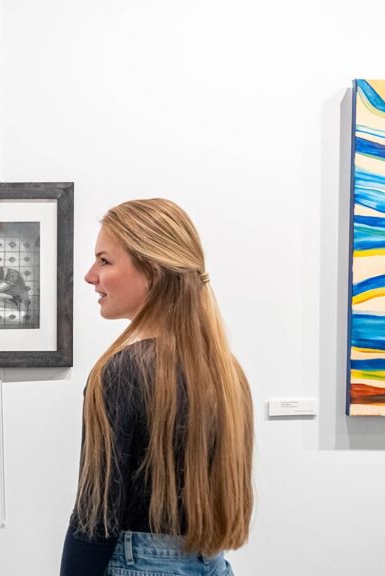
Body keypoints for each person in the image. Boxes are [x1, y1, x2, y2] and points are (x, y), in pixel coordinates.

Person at [60, 199, 253, 576]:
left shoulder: (122, 371)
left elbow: (96, 513)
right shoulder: (227, 370)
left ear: (150, 270)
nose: (89, 276)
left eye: (104, 261)